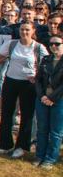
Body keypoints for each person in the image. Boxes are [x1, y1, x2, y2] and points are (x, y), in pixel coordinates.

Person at [0, 22, 47, 158]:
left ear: (33, 31)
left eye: (27, 30)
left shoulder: (38, 47)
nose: (24, 32)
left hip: (28, 84)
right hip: (11, 81)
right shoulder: (12, 44)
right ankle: (5, 144)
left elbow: (46, 65)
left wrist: (37, 77)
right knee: (7, 113)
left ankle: (22, 146)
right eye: (22, 29)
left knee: (26, 116)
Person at [35, 34, 63, 168]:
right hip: (43, 98)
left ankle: (50, 159)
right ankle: (39, 155)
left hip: (59, 100)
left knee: (56, 131)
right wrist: (42, 96)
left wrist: (52, 98)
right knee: (42, 128)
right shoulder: (46, 59)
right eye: (51, 44)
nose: (53, 46)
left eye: (57, 44)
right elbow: (38, 80)